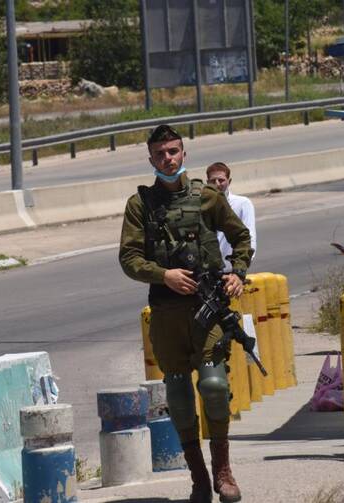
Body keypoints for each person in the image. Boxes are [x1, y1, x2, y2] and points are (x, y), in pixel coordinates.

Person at [119, 125, 253, 502]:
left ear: (184, 154)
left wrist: (237, 273)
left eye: (174, 151)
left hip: (206, 309)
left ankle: (223, 471)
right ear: (151, 158)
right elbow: (129, 258)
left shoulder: (207, 197)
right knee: (177, 395)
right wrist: (164, 275)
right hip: (166, 311)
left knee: (213, 386)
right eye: (160, 153)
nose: (168, 159)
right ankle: (198, 478)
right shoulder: (139, 205)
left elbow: (241, 237)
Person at [206, 162, 257, 271]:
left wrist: (241, 267)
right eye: (212, 181)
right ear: (207, 183)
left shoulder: (242, 203)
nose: (217, 184)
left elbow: (249, 237)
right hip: (209, 271)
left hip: (232, 271)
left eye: (221, 180)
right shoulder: (204, 205)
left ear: (229, 181)